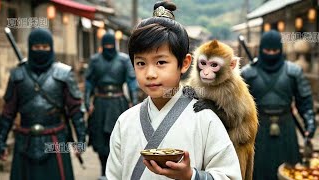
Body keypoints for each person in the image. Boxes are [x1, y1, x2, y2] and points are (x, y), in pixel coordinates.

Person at [106, 1, 242, 180]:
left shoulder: (205, 119)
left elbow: (230, 176)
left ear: (185, 63)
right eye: (141, 63)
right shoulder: (125, 122)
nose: (150, 74)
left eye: (161, 62)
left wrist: (192, 176)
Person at [0, 28, 86, 180]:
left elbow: (75, 110)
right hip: (25, 141)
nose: (41, 51)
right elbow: (8, 113)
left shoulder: (63, 74)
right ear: (30, 47)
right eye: (37, 47)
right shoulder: (17, 75)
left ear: (51, 48)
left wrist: (80, 140)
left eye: (45, 47)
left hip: (55, 140)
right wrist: (1, 141)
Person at [241, 30, 317, 180]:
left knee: (290, 170)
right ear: (261, 49)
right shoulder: (248, 73)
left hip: (286, 127)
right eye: (267, 50)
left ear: (280, 50)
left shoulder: (293, 72)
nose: (270, 54)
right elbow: (237, 104)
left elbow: (305, 102)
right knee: (258, 171)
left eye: (274, 50)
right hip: (258, 128)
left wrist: (310, 123)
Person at [84, 33, 139, 178]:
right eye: (106, 45)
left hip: (118, 102)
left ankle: (118, 173)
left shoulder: (123, 60)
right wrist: (86, 102)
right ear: (102, 45)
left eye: (110, 45)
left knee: (120, 138)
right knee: (99, 139)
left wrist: (133, 102)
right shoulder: (95, 60)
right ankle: (104, 172)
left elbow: (131, 81)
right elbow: (89, 82)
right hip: (100, 103)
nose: (108, 48)